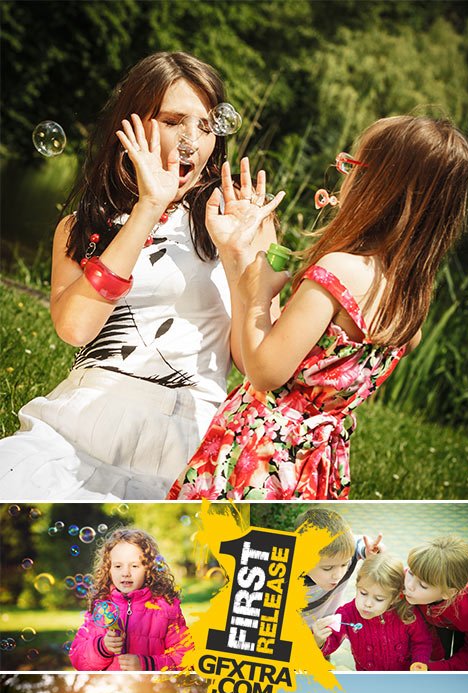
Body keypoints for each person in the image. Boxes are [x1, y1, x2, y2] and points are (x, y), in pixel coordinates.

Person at [0, 51, 281, 502]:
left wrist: (239, 259)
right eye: (174, 121)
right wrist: (148, 209)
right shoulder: (81, 226)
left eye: (206, 126)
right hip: (85, 419)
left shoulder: (237, 223)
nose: (192, 140)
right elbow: (75, 328)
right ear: (133, 126)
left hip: (186, 438)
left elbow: (259, 364)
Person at [168, 114, 468, 500]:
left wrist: (259, 293)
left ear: (381, 186)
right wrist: (247, 260)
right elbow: (262, 358)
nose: (343, 175)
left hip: (260, 460)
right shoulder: (412, 303)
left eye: (352, 165)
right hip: (313, 469)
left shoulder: (338, 270)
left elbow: (263, 374)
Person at [69, 528, 190, 672]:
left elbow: (186, 659)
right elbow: (77, 658)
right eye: (118, 566)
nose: (126, 573)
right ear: (109, 569)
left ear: (148, 569)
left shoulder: (166, 609)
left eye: (134, 566)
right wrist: (103, 647)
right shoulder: (101, 608)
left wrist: (148, 665)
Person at [313, 555, 433, 671]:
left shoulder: (407, 613)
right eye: (363, 593)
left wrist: (419, 662)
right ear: (357, 586)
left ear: (395, 597)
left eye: (379, 599)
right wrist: (319, 641)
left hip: (404, 677)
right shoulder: (347, 614)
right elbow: (331, 644)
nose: (368, 603)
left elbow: (422, 642)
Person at [404, 536, 468, 671]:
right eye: (411, 573)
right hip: (440, 615)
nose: (409, 586)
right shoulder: (417, 578)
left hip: (462, 620)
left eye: (423, 585)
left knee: (462, 657)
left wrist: (436, 669)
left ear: (448, 592)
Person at [294, 508, 384, 628]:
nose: (338, 575)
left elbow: (360, 543)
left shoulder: (345, 553)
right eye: (327, 568)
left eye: (344, 565)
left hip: (328, 627)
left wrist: (370, 552)